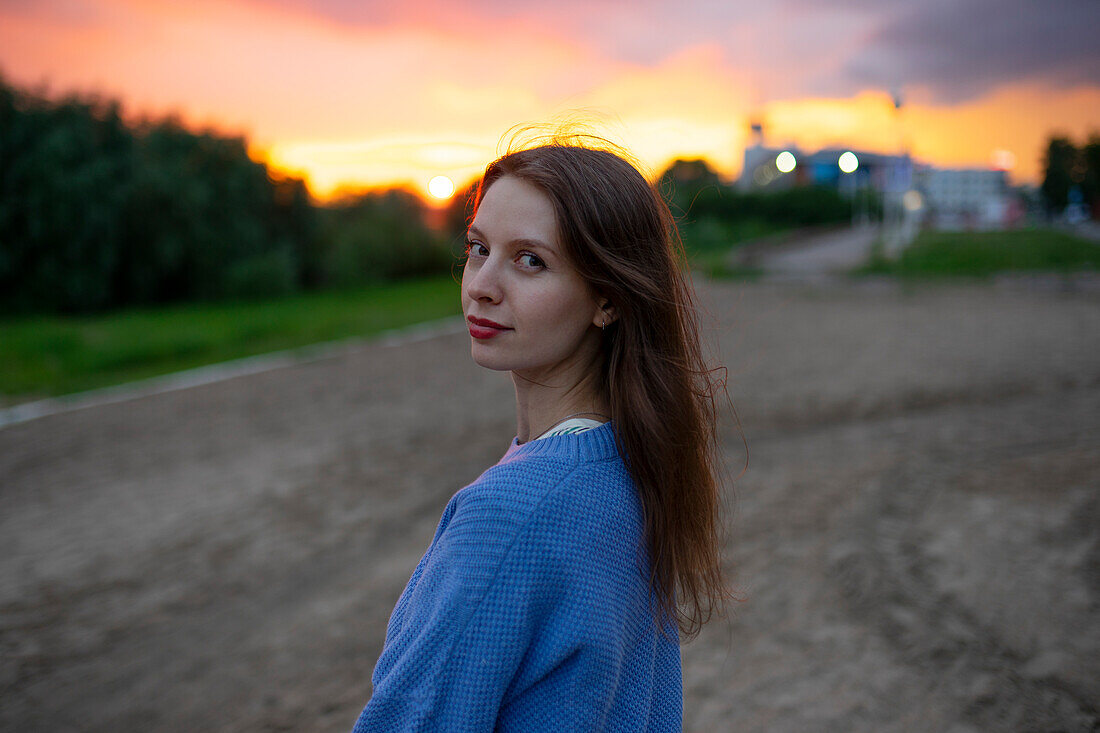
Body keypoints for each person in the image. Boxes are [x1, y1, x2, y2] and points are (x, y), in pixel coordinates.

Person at [351, 136, 731, 732]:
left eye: (531, 260)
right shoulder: (629, 466)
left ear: (607, 300)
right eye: (478, 248)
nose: (481, 284)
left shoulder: (511, 514)